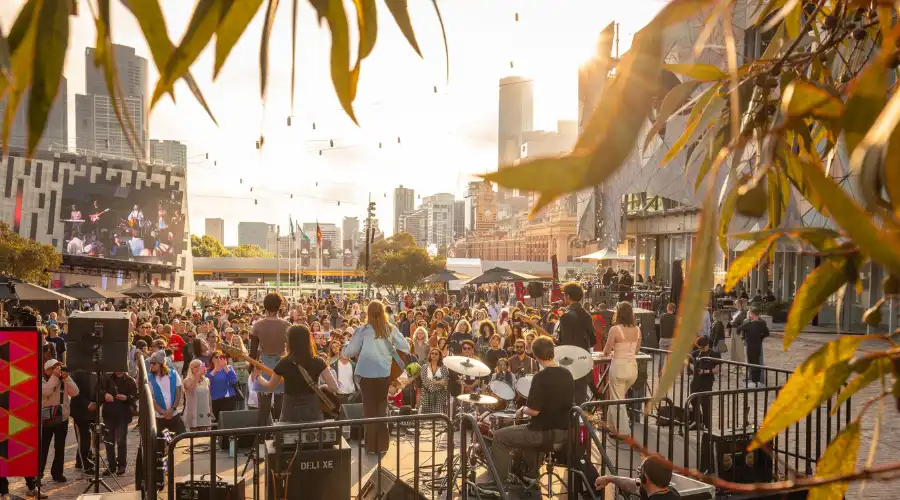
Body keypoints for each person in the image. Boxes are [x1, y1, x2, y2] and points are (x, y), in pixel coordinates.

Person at [479, 337, 574, 490]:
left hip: (542, 433)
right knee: (523, 433)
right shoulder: (567, 374)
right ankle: (528, 475)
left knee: (500, 437)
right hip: (564, 432)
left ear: (536, 356)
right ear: (553, 352)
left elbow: (534, 411)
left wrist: (521, 410)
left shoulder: (541, 377)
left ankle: (498, 486)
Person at [342, 300, 410, 454]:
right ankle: (382, 446)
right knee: (381, 408)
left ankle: (371, 446)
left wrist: (347, 344)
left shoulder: (362, 330)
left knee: (369, 410)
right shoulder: (390, 329)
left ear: (368, 313)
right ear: (382, 312)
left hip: (366, 375)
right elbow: (405, 346)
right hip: (384, 374)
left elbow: (349, 352)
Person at [257, 324, 339, 422]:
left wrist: (258, 376)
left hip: (290, 413)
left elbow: (270, 386)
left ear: (290, 341)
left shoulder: (283, 363)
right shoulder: (318, 361)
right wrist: (321, 387)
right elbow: (334, 387)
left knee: (288, 436)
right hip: (312, 411)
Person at [250, 293, 290, 424]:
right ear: (280, 306)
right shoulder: (287, 325)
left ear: (265, 306)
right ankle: (279, 439)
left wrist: (253, 369)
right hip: (282, 366)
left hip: (263, 365)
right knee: (281, 408)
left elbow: (253, 351)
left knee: (263, 409)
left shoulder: (257, 325)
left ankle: (260, 440)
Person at [39, 359, 78, 491]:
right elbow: (46, 392)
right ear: (46, 370)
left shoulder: (63, 379)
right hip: (45, 419)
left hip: (62, 418)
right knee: (42, 448)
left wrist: (66, 378)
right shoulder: (42, 380)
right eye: (53, 368)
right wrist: (55, 377)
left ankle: (57, 473)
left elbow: (75, 392)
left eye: (58, 367)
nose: (57, 370)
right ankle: (38, 475)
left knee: (60, 447)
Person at [603, 301, 641, 432]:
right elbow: (636, 351)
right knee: (617, 397)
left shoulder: (615, 329)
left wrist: (611, 352)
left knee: (617, 401)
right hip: (632, 368)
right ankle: (610, 426)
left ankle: (624, 431)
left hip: (619, 367)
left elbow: (606, 351)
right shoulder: (637, 329)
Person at [556, 282, 596, 404]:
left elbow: (564, 344)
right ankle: (579, 421)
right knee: (580, 396)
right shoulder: (587, 315)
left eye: (564, 295)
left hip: (569, 361)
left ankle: (571, 422)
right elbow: (593, 341)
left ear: (567, 296)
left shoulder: (565, 317)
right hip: (583, 359)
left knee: (568, 397)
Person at [101, 371, 138, 475]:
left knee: (121, 441)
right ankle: (111, 466)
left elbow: (135, 396)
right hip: (109, 414)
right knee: (109, 442)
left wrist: (126, 398)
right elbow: (99, 390)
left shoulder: (130, 380)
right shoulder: (107, 378)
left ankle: (122, 465)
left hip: (122, 415)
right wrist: (105, 394)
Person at [594, 453, 678, 499]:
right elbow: (631, 485)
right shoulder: (673, 493)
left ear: (645, 478)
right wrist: (609, 478)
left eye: (641, 471)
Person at [148, 350, 185, 435]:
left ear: (161, 364)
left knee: (178, 439)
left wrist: (173, 409)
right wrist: (163, 412)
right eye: (150, 363)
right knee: (164, 440)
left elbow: (178, 393)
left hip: (173, 414)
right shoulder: (149, 378)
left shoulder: (173, 374)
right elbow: (150, 398)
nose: (151, 365)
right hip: (160, 417)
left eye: (154, 363)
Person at [688, 336, 720, 431]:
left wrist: (706, 371)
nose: (701, 349)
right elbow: (689, 363)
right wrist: (694, 369)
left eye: (703, 347)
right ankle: (697, 421)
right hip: (696, 380)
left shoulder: (714, 354)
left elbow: (718, 369)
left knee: (705, 403)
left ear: (707, 345)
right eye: (699, 347)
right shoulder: (696, 353)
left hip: (707, 381)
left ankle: (707, 424)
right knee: (694, 401)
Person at [208, 352, 239, 448]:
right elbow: (206, 382)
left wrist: (225, 368)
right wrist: (215, 370)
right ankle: (214, 442)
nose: (219, 359)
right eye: (216, 357)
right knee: (216, 421)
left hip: (229, 398)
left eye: (221, 357)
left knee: (229, 421)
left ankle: (229, 443)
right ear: (212, 359)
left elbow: (234, 380)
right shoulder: (209, 371)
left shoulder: (228, 368)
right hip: (215, 399)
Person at [737, 306, 769, 387]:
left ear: (752, 313)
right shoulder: (761, 323)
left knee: (753, 362)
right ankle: (756, 380)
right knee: (756, 362)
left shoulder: (750, 323)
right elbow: (766, 333)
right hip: (757, 344)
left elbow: (738, 329)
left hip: (751, 345)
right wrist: (760, 338)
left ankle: (755, 381)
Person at [183, 359, 213, 431]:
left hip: (204, 410)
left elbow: (209, 396)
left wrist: (211, 410)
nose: (198, 368)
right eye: (196, 367)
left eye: (200, 366)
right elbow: (191, 389)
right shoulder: (187, 380)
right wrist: (198, 375)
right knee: (194, 435)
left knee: (204, 436)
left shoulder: (207, 380)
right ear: (191, 369)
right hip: (193, 410)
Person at [418, 347, 450, 416]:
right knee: (426, 417)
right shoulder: (424, 367)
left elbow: (445, 381)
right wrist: (438, 382)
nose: (434, 355)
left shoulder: (443, 367)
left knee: (439, 416)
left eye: (436, 354)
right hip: (426, 394)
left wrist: (436, 382)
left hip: (440, 395)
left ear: (439, 356)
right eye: (432, 353)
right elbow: (424, 381)